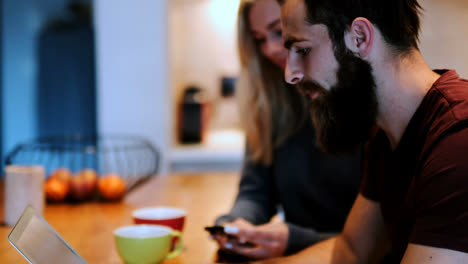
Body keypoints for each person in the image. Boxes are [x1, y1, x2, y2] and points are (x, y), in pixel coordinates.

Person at [227, 0, 468, 263]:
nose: (289, 74)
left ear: (360, 37)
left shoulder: (458, 139)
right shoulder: (386, 135)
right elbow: (349, 252)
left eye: (303, 50)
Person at [209, 0, 362, 260]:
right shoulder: (270, 105)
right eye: (258, 39)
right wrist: (236, 224)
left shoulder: (364, 107)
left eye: (278, 33)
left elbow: (378, 239)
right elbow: (255, 191)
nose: (269, 49)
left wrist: (295, 239)